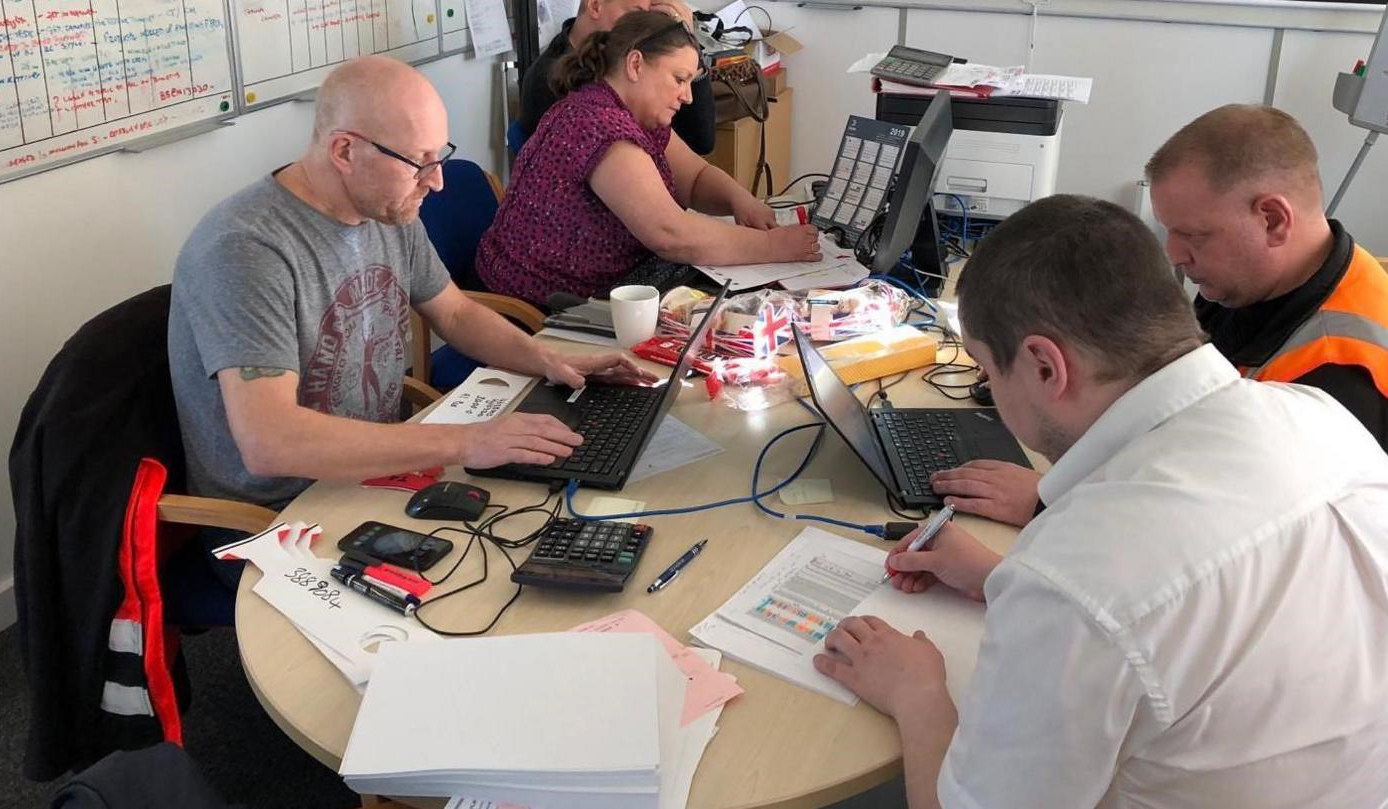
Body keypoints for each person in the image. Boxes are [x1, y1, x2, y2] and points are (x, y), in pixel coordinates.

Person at [814, 194, 1388, 809]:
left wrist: (916, 692)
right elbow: (1215, 615)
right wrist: (1002, 577)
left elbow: (1117, 600)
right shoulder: (1321, 419)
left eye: (986, 370)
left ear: (1044, 366)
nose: (989, 390)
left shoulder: (1078, 581)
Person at [168, 56, 655, 510]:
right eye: (419, 161)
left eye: (439, 156)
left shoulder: (384, 208)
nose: (437, 181)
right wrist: (467, 441)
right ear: (345, 150)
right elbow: (270, 442)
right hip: (283, 514)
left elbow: (455, 312)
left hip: (379, 471)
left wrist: (555, 364)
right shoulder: (245, 250)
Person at [933, 104, 1388, 527]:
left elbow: (1224, 531)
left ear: (1272, 220)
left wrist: (1052, 502)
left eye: (1193, 234)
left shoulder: (1338, 372)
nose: (1174, 254)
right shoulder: (1252, 282)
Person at [476, 11, 820, 307]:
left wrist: (739, 200)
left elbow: (696, 177)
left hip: (591, 287)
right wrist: (772, 246)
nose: (687, 97)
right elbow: (670, 235)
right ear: (636, 64)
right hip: (541, 306)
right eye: (679, 79)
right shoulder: (599, 126)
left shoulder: (630, 113)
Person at [519, 0, 717, 155]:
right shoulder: (549, 80)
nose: (643, 28)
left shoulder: (628, 64)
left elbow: (700, 142)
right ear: (595, 6)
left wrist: (684, 47)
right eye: (635, 14)